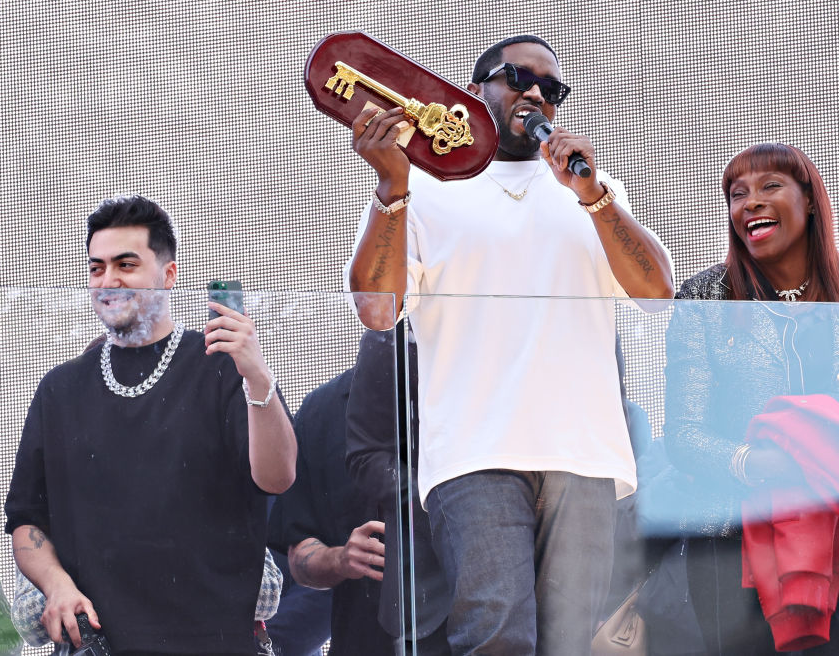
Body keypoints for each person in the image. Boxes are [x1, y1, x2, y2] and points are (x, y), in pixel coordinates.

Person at [345, 34, 674, 655]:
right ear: (474, 93)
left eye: (552, 89)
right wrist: (391, 188)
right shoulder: (424, 187)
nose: (535, 95)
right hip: (475, 450)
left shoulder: (594, 191)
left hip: (585, 452)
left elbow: (657, 295)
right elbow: (377, 311)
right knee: (496, 633)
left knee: (569, 643)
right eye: (518, 77)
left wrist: (594, 195)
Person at [661, 143, 839, 654]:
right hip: (733, 540)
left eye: (769, 187)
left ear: (809, 200)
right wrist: (754, 464)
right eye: (736, 194)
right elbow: (682, 434)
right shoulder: (704, 298)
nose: (749, 203)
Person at [4, 194, 297, 654]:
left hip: (214, 642)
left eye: (126, 264)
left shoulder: (221, 366)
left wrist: (257, 375)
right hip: (99, 643)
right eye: (96, 267)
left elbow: (277, 477)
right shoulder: (60, 390)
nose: (109, 280)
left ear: (168, 274)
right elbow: (25, 520)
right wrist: (56, 584)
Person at [266, 367, 391, 655]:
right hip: (363, 640)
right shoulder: (321, 411)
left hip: (469, 635)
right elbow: (299, 557)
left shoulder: (477, 388)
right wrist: (342, 559)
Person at [345, 327, 452, 655]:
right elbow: (365, 456)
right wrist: (448, 503)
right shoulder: (395, 330)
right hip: (429, 598)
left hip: (530, 580)